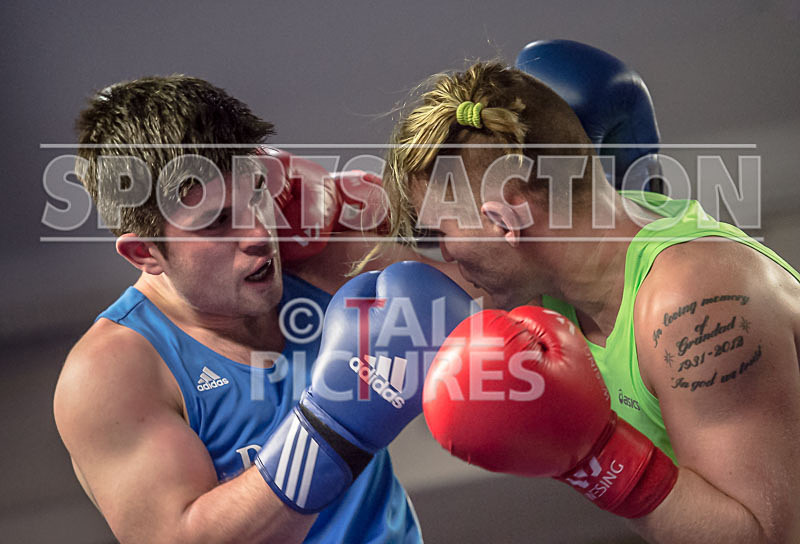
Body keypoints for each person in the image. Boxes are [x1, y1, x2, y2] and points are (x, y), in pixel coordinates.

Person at [380, 47, 800, 543]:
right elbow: (398, 280)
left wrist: (593, 453)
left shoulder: (693, 302)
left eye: (440, 232)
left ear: (505, 219)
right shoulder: (566, 257)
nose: (444, 253)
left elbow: (765, 536)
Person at [52, 75, 482, 543]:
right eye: (215, 222)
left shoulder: (322, 267)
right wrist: (333, 427)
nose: (259, 233)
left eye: (257, 192)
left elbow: (488, 299)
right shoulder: (113, 373)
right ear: (145, 254)